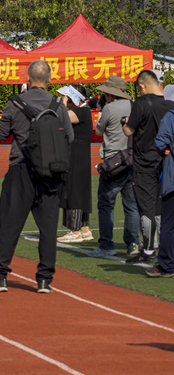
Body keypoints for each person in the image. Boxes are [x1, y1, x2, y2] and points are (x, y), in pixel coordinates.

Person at [0, 60, 72, 293]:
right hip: (51, 172)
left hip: (21, 167)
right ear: (50, 80)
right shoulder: (57, 104)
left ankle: (0, 276)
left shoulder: (15, 103)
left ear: (28, 79)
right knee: (48, 227)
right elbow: (69, 137)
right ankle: (44, 280)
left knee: (9, 223)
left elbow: (1, 135)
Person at [122, 70, 174, 267]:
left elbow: (129, 130)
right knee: (163, 207)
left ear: (142, 86)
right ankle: (164, 248)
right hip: (166, 162)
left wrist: (124, 123)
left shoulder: (141, 103)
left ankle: (149, 248)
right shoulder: (170, 105)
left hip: (145, 161)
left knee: (146, 207)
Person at [90, 76, 138, 258]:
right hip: (132, 160)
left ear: (110, 94)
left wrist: (101, 111)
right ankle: (133, 244)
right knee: (131, 206)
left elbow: (99, 131)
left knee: (106, 204)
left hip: (112, 162)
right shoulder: (134, 105)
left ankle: (106, 245)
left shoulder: (109, 108)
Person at [55, 86, 94, 245]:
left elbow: (60, 116)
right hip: (78, 154)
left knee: (74, 190)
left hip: (76, 155)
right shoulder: (84, 111)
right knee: (80, 189)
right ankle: (84, 229)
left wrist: (64, 101)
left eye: (68, 98)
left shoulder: (82, 111)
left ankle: (75, 231)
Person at [147, 103, 174, 278]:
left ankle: (167, 265)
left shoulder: (171, 116)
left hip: (172, 180)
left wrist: (165, 151)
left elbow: (160, 142)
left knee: (169, 225)